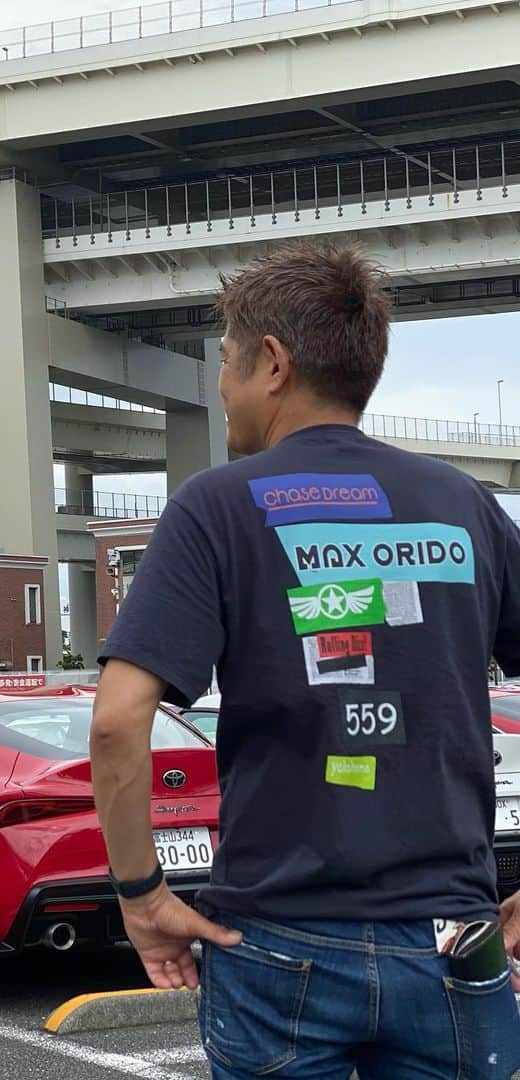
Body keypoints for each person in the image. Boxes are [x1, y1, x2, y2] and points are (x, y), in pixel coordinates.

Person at [90, 243, 520, 1079]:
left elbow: (115, 722)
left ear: (273, 363)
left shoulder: (216, 507)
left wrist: (142, 894)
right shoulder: (463, 505)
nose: (219, 389)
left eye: (224, 363)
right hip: (451, 939)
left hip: (277, 938)